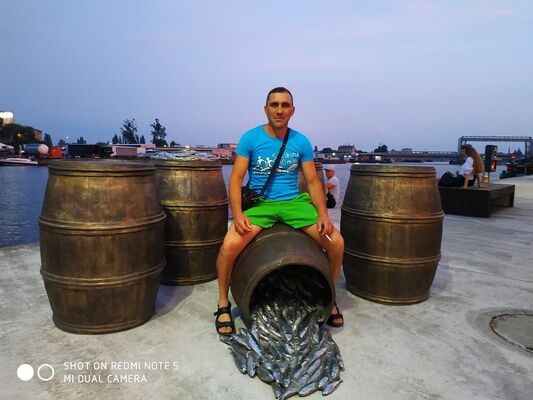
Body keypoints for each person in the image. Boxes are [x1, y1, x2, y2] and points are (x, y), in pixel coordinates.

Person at [214, 87, 345, 335]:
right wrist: (238, 214)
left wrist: (323, 215)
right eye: (274, 105)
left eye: (285, 105)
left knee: (336, 243)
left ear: (292, 111)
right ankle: (222, 303)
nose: (279, 110)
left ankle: (331, 297)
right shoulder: (250, 138)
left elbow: (313, 181)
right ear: (266, 109)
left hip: (294, 203)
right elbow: (236, 178)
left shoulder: (300, 141)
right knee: (229, 245)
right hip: (261, 205)